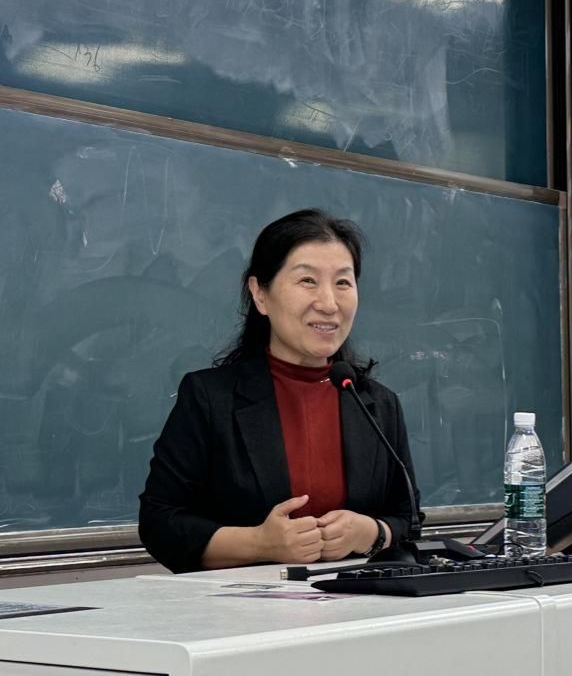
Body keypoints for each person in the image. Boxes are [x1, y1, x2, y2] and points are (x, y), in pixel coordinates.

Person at [138, 208, 420, 573]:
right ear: (260, 294)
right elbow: (160, 523)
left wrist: (372, 533)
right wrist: (259, 543)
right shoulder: (210, 397)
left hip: (358, 601)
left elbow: (407, 517)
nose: (329, 303)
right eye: (307, 281)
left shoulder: (377, 403)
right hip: (242, 604)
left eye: (342, 283)